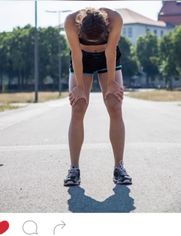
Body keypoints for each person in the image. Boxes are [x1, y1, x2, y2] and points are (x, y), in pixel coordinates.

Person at [64, 7, 132, 186]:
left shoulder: (115, 19)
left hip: (108, 58)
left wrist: (111, 83)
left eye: (98, 42)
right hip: (81, 59)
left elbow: (110, 51)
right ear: (80, 29)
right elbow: (76, 55)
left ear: (107, 28)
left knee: (114, 105)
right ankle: (74, 169)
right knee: (78, 106)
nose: (94, 47)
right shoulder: (71, 22)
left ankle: (119, 167)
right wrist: (78, 87)